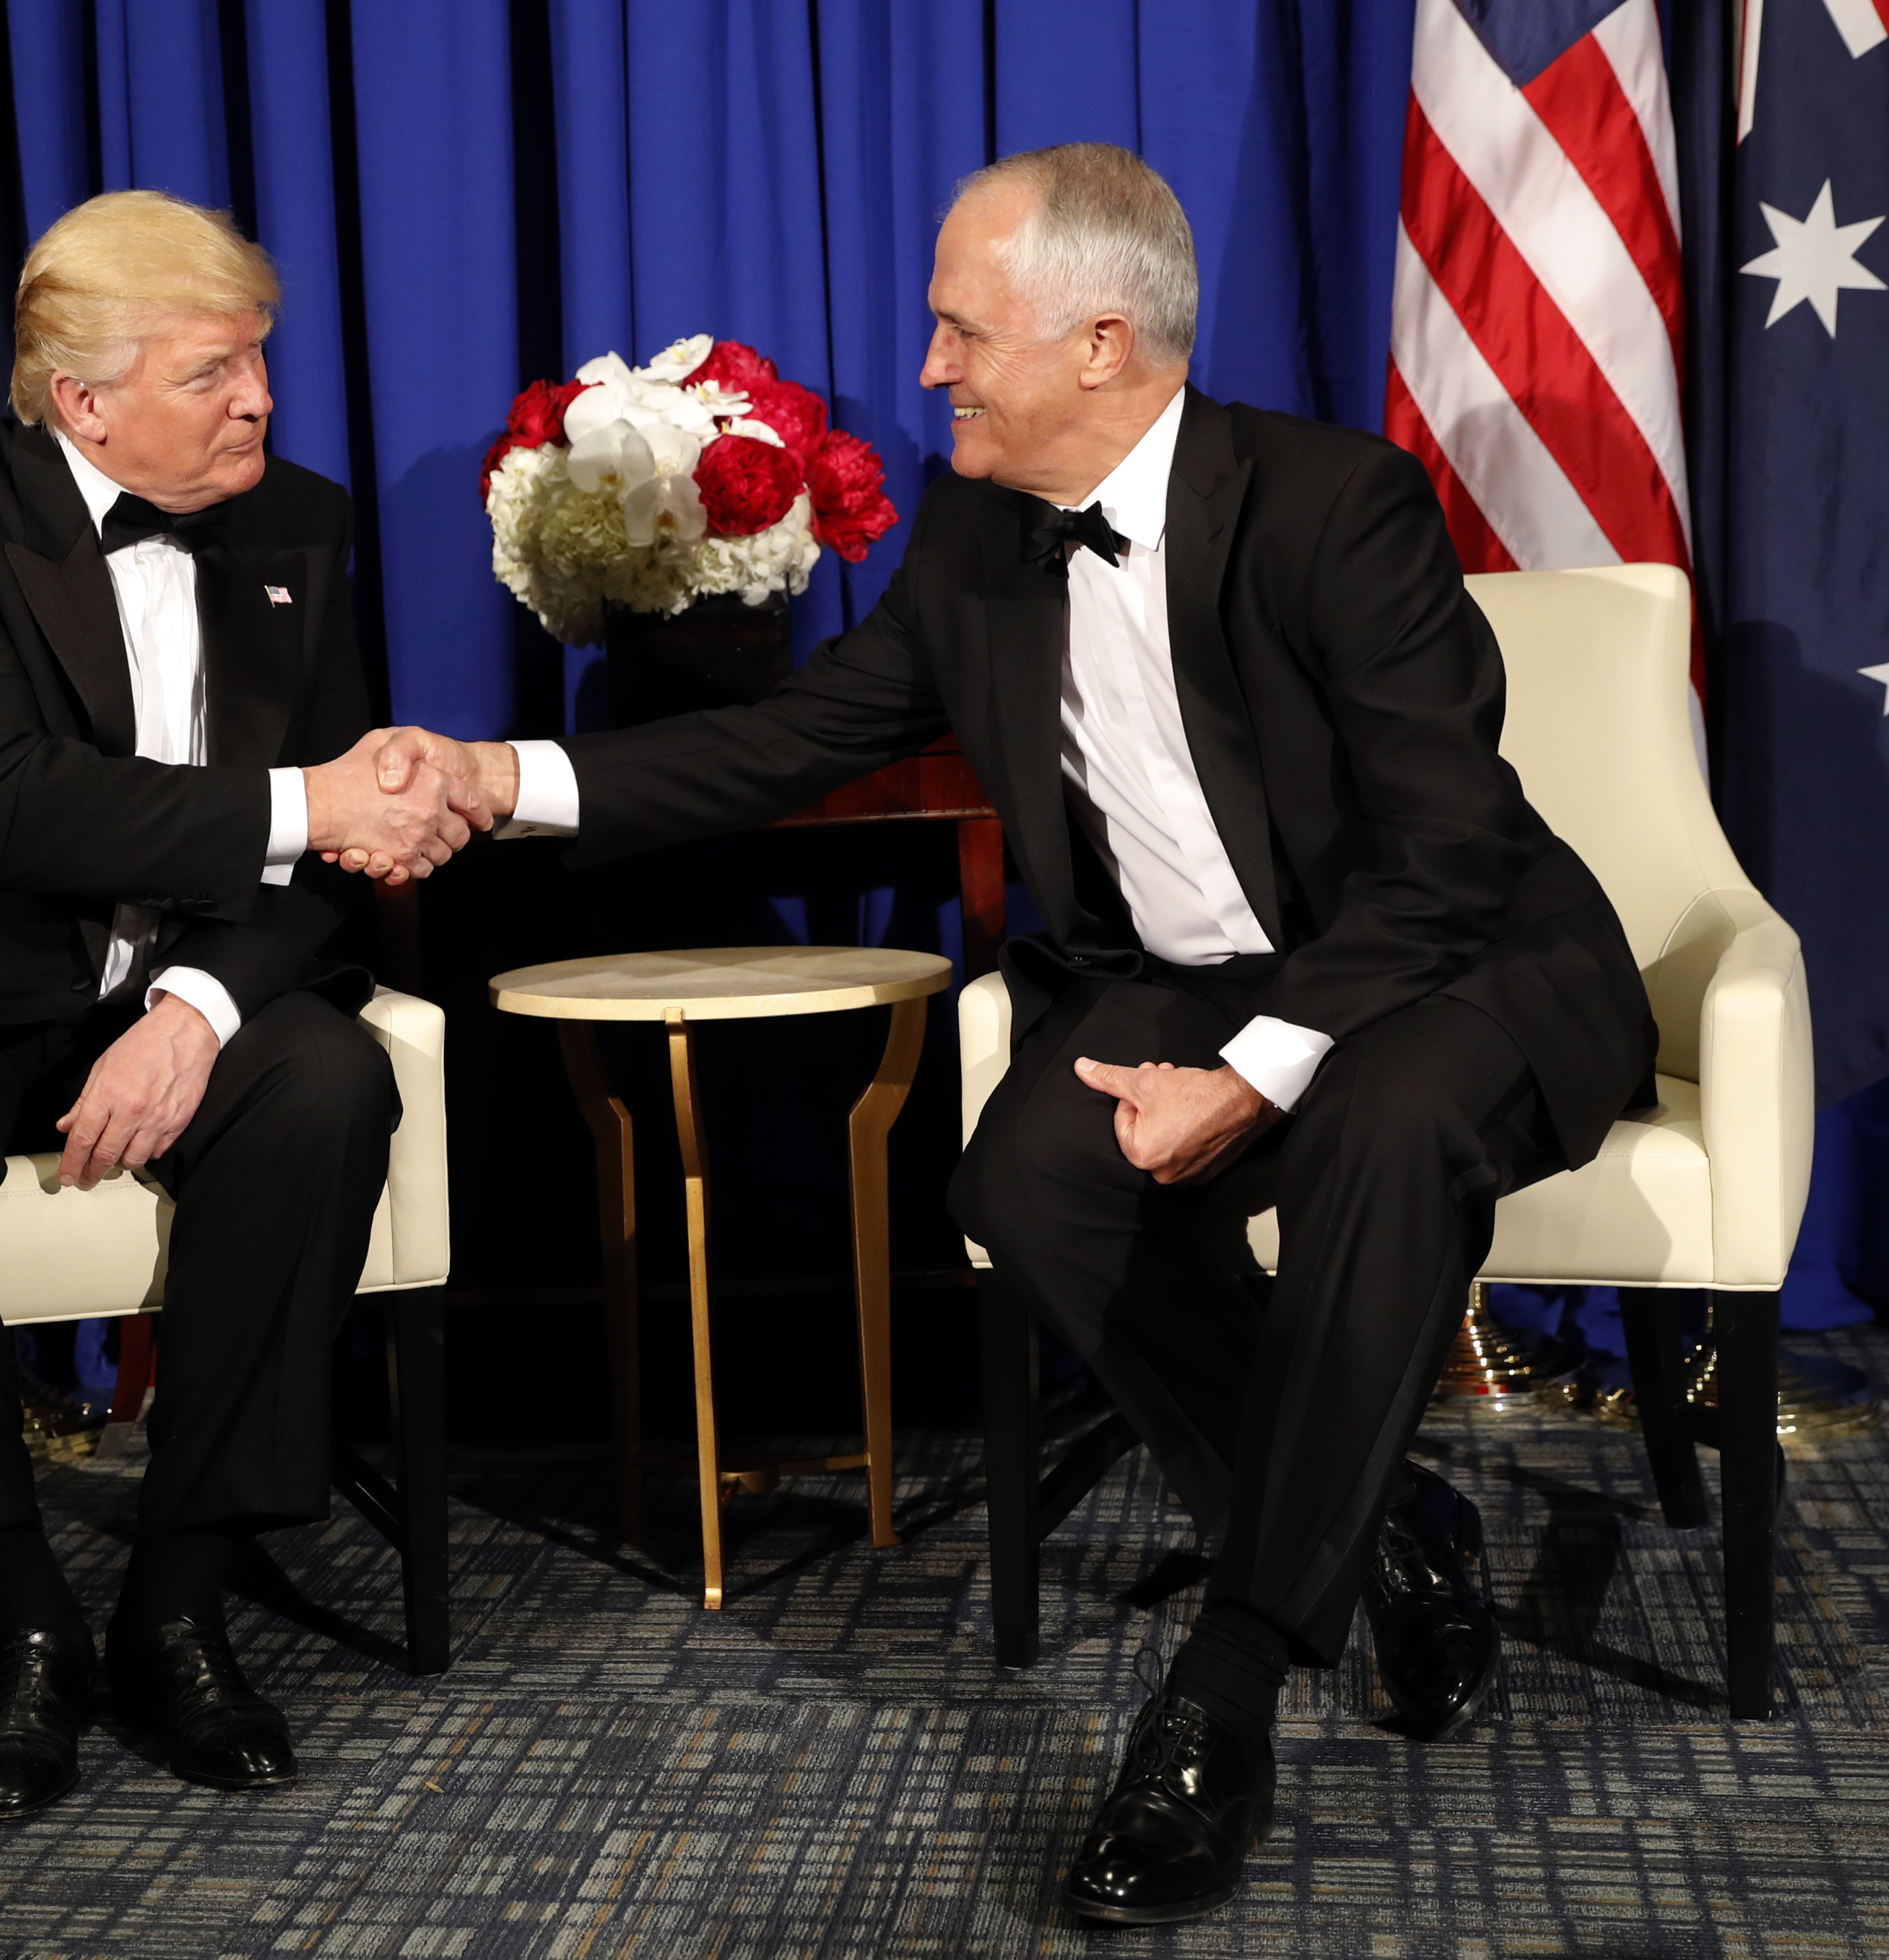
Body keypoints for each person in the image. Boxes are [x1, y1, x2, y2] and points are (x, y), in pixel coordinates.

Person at [365, 144, 1655, 1925]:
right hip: (1193, 976)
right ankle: (1389, 1522)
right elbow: (788, 741)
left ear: (1103, 343)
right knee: (1027, 1180)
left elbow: (1441, 864)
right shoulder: (978, 538)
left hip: (1451, 965)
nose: (928, 370)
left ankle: (1222, 1697)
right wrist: (496, 777)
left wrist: (1251, 1072)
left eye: (961, 332)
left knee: (1374, 1131)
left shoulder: (1334, 503)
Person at [0, 191, 479, 1823]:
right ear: (84, 400)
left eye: (260, 361)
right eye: (213, 371)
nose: (259, 399)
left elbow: (330, 867)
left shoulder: (299, 523)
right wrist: (309, 803)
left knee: (330, 1084)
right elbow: (6, 800)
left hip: (178, 980)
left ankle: (176, 1602)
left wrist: (199, 1004)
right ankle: (22, 1608)